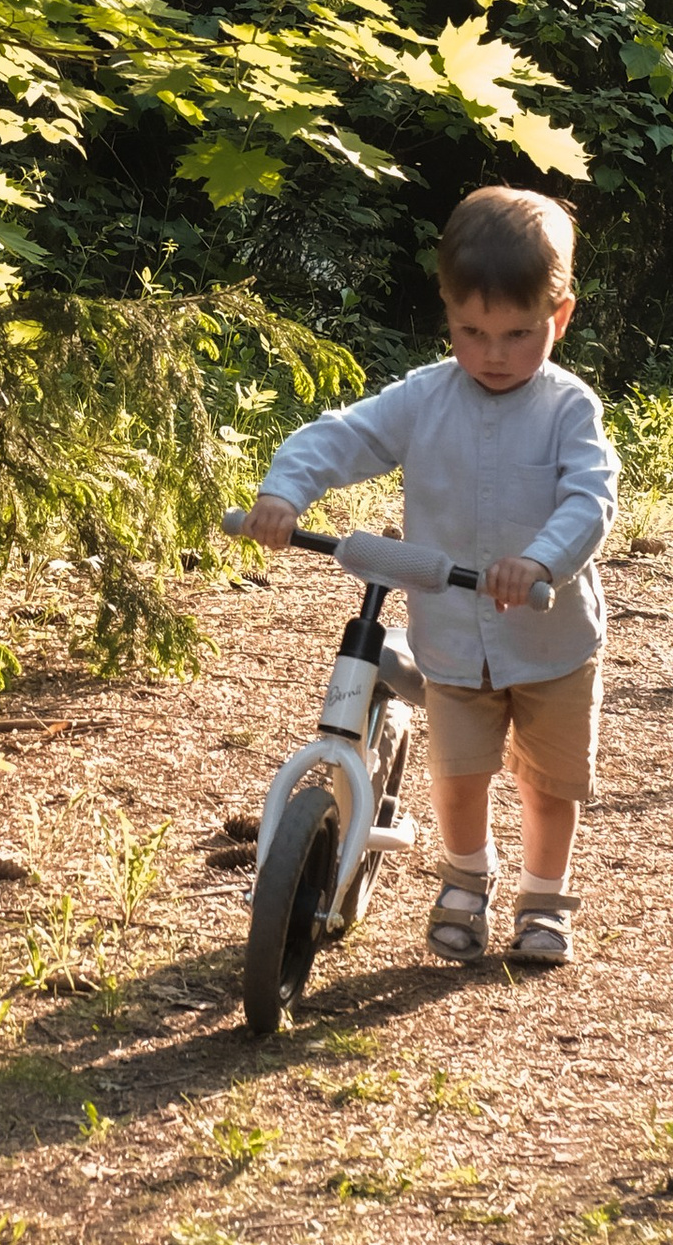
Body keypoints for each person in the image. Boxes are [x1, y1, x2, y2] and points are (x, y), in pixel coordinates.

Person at [244, 185, 616, 970]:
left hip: (550, 639)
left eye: (518, 334)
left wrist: (541, 559)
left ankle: (545, 897)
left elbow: (591, 498)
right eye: (470, 331)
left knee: (549, 785)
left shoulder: (567, 409)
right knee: (461, 773)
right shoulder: (425, 398)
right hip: (452, 639)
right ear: (446, 313)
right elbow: (346, 436)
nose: (491, 353)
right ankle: (465, 878)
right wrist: (285, 491)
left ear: (561, 317)